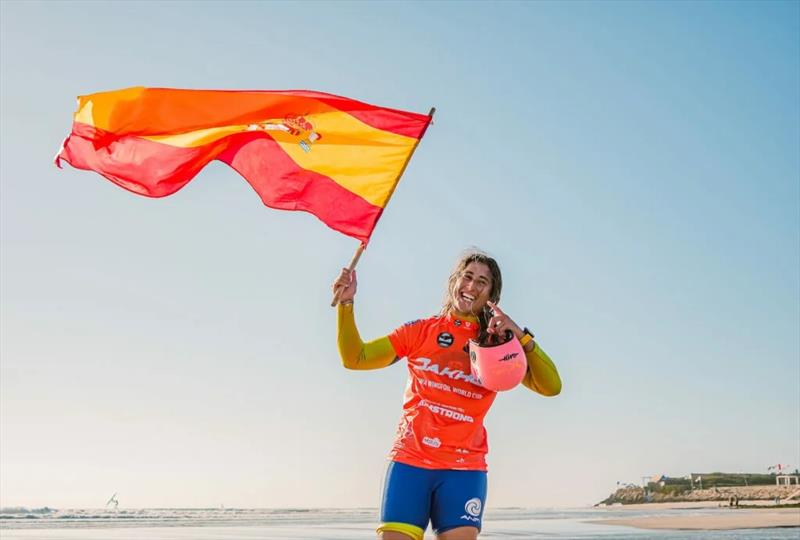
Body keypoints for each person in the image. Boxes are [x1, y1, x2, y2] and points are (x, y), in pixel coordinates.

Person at [333, 250, 562, 540]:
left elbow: (551, 386)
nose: (471, 286)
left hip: (464, 471)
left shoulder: (496, 346)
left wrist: (520, 335)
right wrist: (346, 303)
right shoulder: (420, 332)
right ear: (454, 281)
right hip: (410, 462)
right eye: (467, 277)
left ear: (493, 295)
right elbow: (357, 357)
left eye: (482, 282)